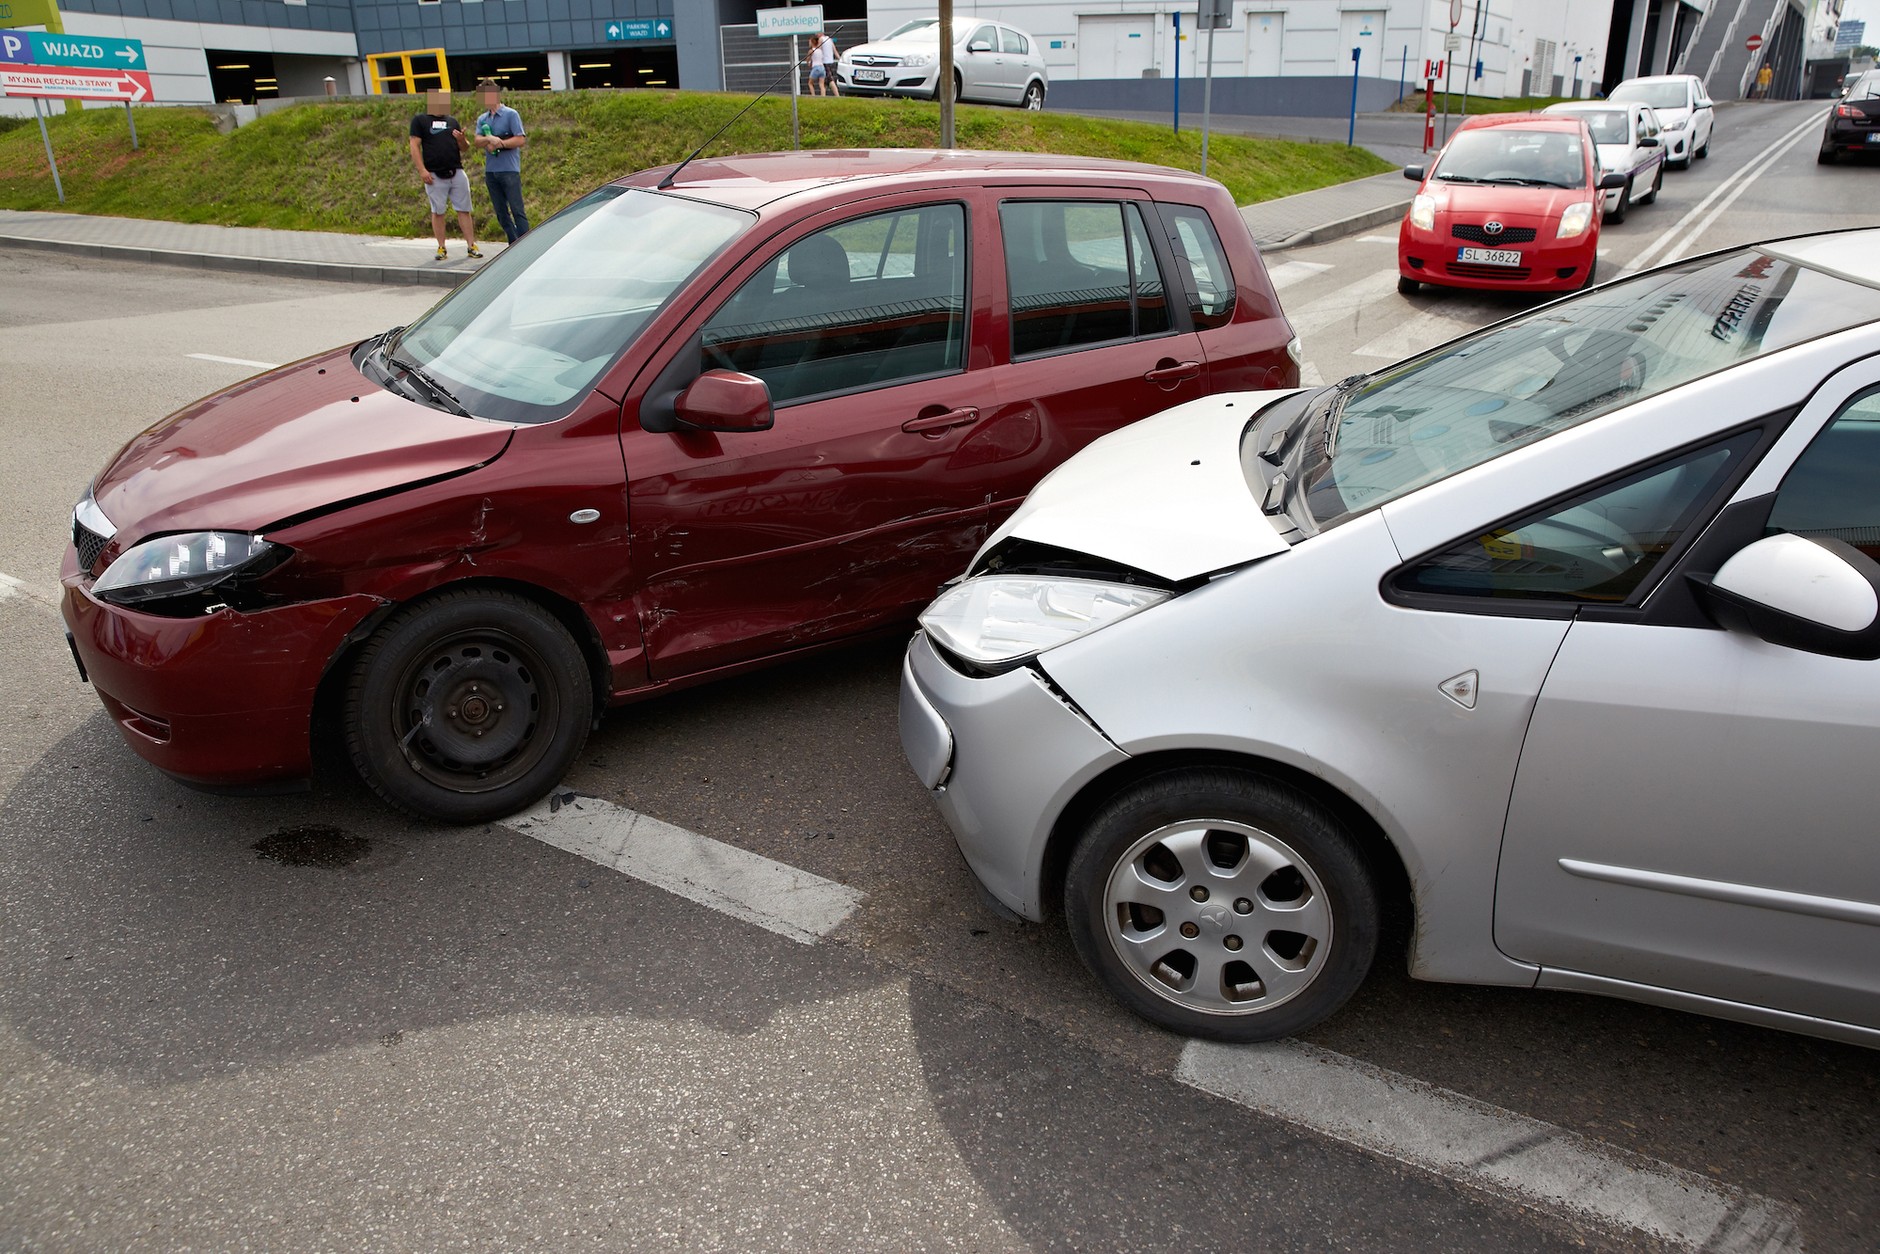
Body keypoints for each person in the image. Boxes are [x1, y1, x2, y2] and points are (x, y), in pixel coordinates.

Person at [408, 89, 481, 261]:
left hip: (456, 170)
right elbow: (414, 145)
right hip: (434, 173)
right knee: (438, 210)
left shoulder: (452, 121)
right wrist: (422, 170)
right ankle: (441, 247)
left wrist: (462, 140)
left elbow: (465, 147)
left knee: (464, 209)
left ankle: (471, 245)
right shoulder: (420, 121)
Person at [474, 79, 530, 244]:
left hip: (509, 169)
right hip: (491, 171)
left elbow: (520, 140)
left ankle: (525, 243)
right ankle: (513, 242)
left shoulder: (511, 114)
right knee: (500, 211)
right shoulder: (483, 119)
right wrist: (488, 141)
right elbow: (477, 140)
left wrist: (501, 143)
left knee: (517, 209)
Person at [807, 32, 839, 97]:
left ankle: (837, 95)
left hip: (824, 62)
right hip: (830, 62)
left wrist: (811, 54)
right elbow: (835, 51)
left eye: (817, 34)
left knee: (829, 79)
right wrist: (840, 59)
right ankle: (823, 95)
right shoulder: (829, 39)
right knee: (823, 81)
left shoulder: (821, 39)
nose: (817, 36)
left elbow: (818, 48)